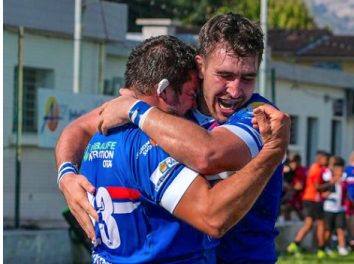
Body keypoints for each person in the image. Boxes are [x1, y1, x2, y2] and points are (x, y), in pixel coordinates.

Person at [57, 13, 285, 263]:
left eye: (248, 78)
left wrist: (133, 109)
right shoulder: (177, 102)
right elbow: (79, 129)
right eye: (225, 75)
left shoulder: (259, 116)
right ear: (201, 67)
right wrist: (66, 175)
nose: (235, 90)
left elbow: (209, 155)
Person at [286, 150, 330, 259]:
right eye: (326, 159)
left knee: (309, 224)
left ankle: (295, 244)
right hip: (313, 200)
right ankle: (321, 249)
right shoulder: (316, 169)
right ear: (319, 158)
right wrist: (331, 183)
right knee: (321, 224)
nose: (327, 161)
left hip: (308, 199)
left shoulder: (317, 169)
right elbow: (316, 187)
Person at [321, 156, 349, 256]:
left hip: (340, 209)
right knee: (328, 229)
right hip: (329, 208)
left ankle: (342, 247)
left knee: (340, 228)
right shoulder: (328, 178)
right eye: (338, 170)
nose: (340, 172)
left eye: (342, 170)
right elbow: (322, 191)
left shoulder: (344, 180)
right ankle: (326, 246)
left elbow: (346, 192)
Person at [281, 153, 306, 221]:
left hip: (299, 196)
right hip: (295, 196)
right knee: (287, 210)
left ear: (297, 162)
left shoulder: (300, 171)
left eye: (292, 162)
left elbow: (299, 186)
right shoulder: (294, 170)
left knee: (290, 210)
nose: (290, 164)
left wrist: (289, 189)